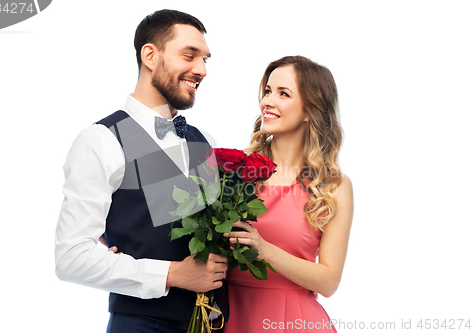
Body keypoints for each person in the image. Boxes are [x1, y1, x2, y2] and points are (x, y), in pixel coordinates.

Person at [54, 9, 228, 333]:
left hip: (210, 325)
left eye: (205, 59)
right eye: (189, 56)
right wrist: (171, 274)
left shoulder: (205, 142)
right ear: (150, 55)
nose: (201, 69)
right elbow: (71, 257)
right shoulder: (101, 141)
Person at [223, 56, 354, 332]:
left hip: (293, 321)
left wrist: (264, 249)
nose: (268, 101)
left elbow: (329, 281)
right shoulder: (233, 171)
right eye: (268, 91)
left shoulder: (333, 186)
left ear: (309, 110)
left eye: (283, 94)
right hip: (226, 315)